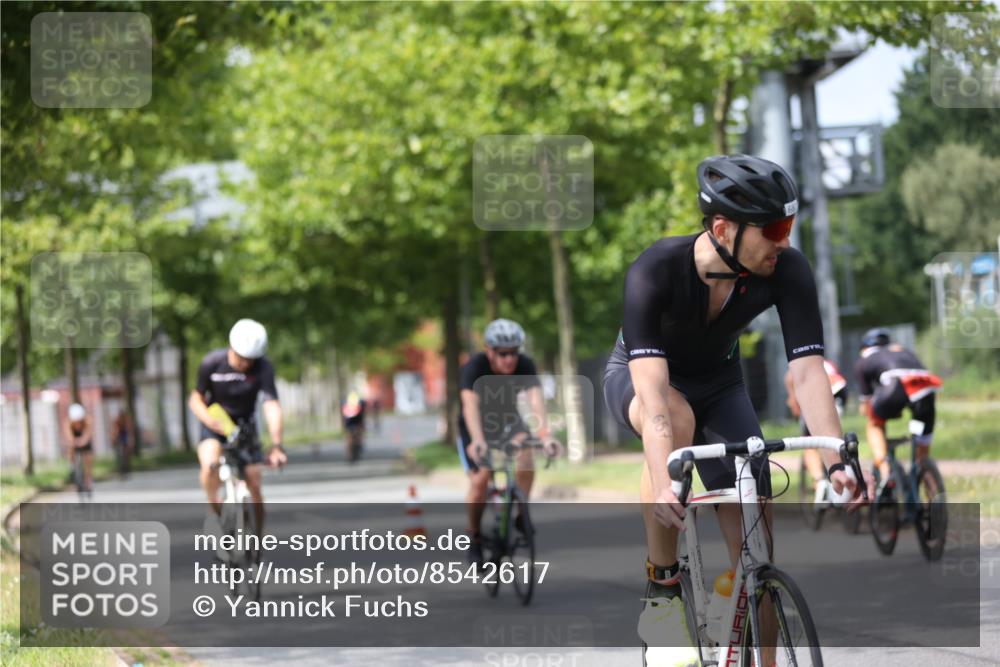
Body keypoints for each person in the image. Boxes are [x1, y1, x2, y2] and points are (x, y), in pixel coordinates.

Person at [601, 154, 870, 661]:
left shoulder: (785, 268)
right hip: (644, 381)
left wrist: (836, 459)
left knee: (757, 543)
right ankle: (662, 592)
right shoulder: (655, 270)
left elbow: (809, 371)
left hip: (722, 382)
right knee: (676, 422)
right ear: (723, 229)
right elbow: (656, 406)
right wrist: (664, 479)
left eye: (789, 225)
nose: (785, 240)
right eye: (774, 228)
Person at [458, 318, 563, 566]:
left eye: (514, 352)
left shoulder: (524, 365)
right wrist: (478, 441)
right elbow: (469, 406)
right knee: (481, 478)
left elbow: (536, 402)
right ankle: (473, 537)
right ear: (489, 351)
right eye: (503, 354)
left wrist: (545, 435)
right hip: (475, 426)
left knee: (526, 453)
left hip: (507, 422)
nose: (509, 359)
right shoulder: (475, 367)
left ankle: (520, 514)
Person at [189, 318, 287, 533]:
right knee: (209, 465)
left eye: (251, 360)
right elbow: (195, 398)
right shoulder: (212, 363)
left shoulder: (263, 367)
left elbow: (271, 405)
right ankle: (214, 509)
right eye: (241, 358)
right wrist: (208, 419)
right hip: (215, 425)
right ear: (231, 347)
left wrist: (277, 445)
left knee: (254, 482)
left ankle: (258, 543)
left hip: (245, 426)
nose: (245, 365)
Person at [855, 327, 942, 495]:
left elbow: (867, 405)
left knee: (873, 424)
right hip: (926, 388)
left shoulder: (864, 360)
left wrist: (883, 414)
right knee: (921, 455)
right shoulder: (903, 351)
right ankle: (934, 500)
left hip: (896, 386)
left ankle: (886, 470)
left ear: (865, 348)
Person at [785, 358, 848, 503]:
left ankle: (820, 481)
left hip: (819, 392)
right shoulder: (827, 363)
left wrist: (798, 415)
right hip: (840, 392)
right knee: (832, 438)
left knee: (809, 443)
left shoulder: (791, 373)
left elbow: (794, 401)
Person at [63, 402, 93, 491]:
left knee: (88, 457)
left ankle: (88, 479)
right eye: (75, 421)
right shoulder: (68, 423)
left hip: (84, 439)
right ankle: (72, 467)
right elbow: (68, 436)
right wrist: (73, 441)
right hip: (74, 438)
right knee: (70, 448)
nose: (77, 423)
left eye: (79, 420)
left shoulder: (87, 421)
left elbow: (88, 434)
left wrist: (83, 441)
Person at [341, 390, 366, 462]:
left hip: (356, 420)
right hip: (349, 422)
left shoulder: (360, 405)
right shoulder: (346, 406)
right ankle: (349, 454)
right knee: (349, 437)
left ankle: (357, 445)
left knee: (356, 434)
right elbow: (345, 419)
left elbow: (361, 417)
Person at [110, 407, 134, 477]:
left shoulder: (127, 420)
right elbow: (115, 431)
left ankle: (127, 468)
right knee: (119, 453)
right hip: (119, 434)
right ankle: (121, 469)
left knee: (126, 452)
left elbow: (129, 431)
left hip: (125, 434)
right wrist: (113, 439)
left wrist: (131, 440)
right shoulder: (117, 420)